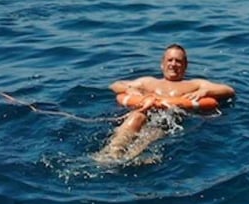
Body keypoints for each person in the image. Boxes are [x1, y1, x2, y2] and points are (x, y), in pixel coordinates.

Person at [97, 44, 235, 163]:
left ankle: (128, 158)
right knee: (136, 117)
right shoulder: (148, 82)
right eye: (170, 60)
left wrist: (205, 91)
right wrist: (130, 89)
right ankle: (112, 152)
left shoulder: (195, 84)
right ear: (162, 63)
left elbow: (228, 90)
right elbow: (115, 85)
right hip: (146, 112)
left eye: (178, 61)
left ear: (185, 65)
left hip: (170, 120)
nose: (173, 64)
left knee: (154, 132)